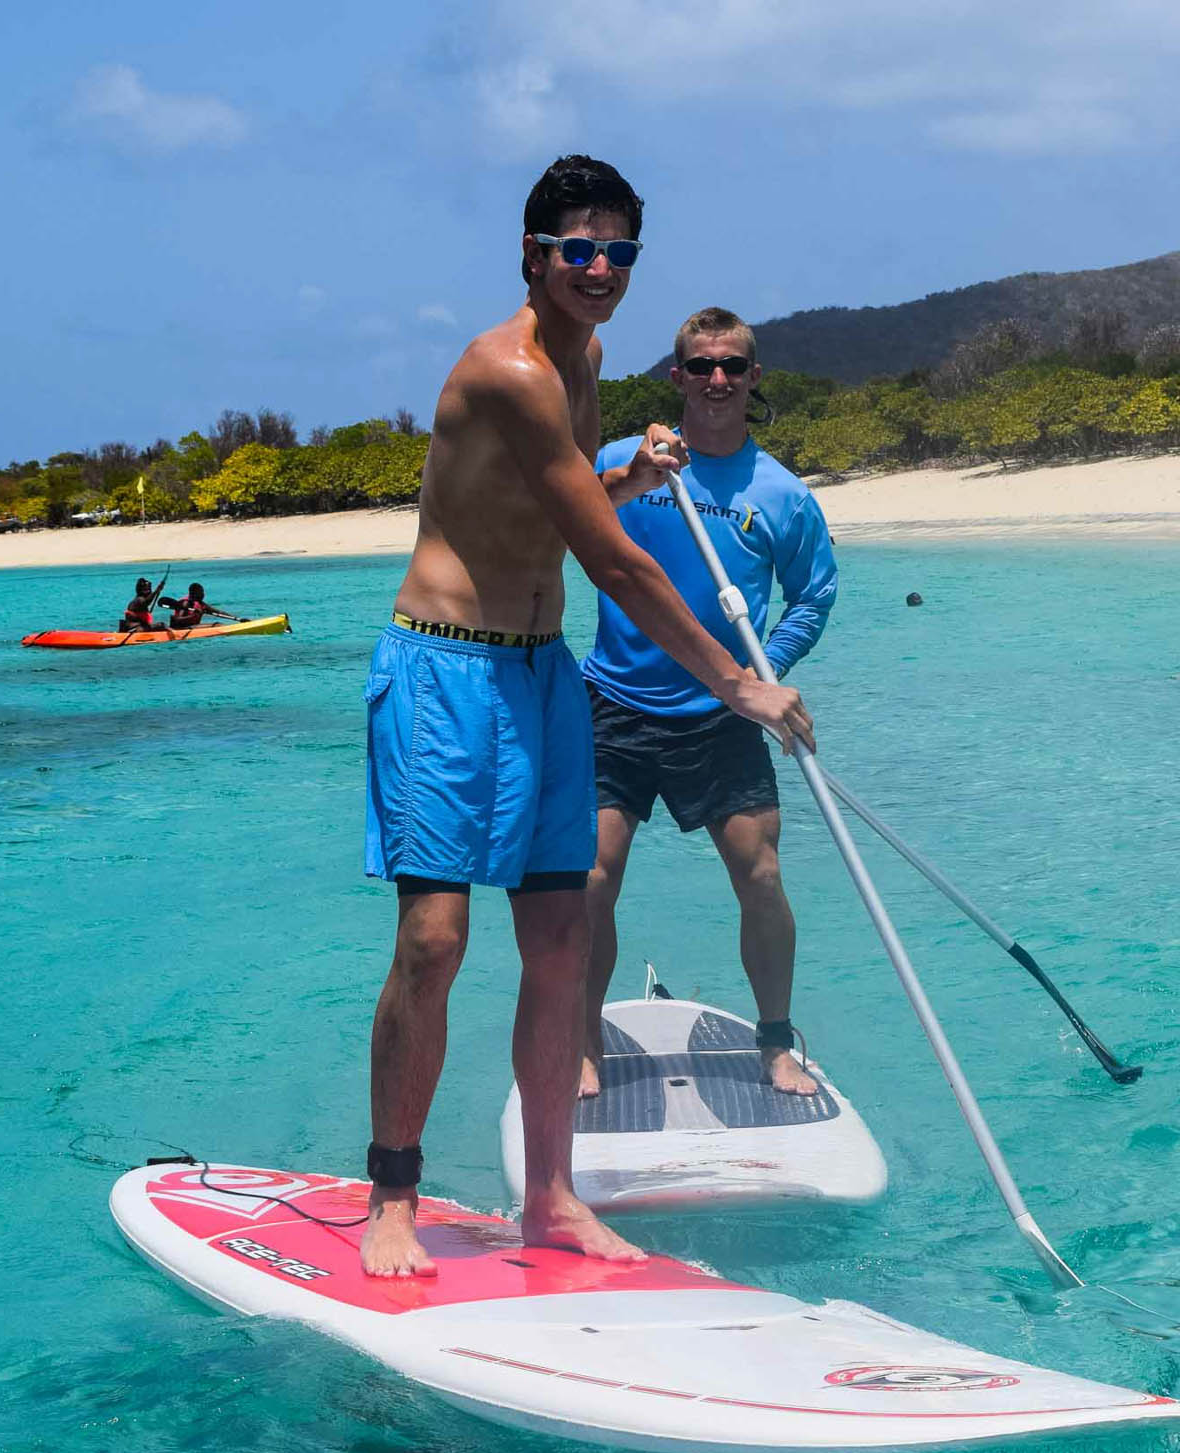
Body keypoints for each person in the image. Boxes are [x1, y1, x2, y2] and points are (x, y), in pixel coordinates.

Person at [358, 156, 809, 1279]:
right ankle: (394, 1195)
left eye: (618, 251)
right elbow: (609, 564)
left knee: (561, 945)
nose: (599, 268)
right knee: (434, 941)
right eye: (578, 249)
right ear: (533, 255)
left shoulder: (587, 355)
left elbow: (558, 512)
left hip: (541, 677)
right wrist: (735, 684)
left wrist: (623, 480)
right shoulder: (507, 369)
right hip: (446, 673)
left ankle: (551, 1198)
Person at [580, 306, 839, 1100]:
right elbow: (561, 531)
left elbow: (813, 596)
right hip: (613, 706)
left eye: (732, 365)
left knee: (761, 875)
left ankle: (774, 1039)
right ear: (677, 375)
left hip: (721, 719)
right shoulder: (626, 464)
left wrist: (761, 682)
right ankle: (583, 1034)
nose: (717, 379)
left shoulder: (783, 494)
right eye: (701, 366)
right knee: (588, 877)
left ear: (755, 376)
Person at [161, 582, 244, 630]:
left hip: (192, 628)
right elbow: (177, 619)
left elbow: (219, 612)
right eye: (201, 592)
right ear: (193, 593)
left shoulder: (201, 604)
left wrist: (238, 619)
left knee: (218, 624)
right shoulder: (185, 603)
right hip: (182, 629)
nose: (203, 594)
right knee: (218, 625)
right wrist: (194, 615)